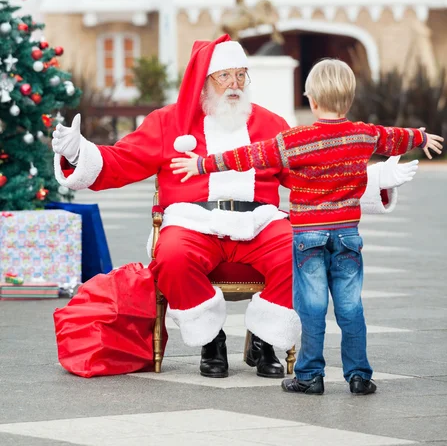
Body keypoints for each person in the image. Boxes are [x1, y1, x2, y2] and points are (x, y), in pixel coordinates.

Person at [52, 37, 418, 380]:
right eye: (224, 75)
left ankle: (263, 340)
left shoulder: (271, 124)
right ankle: (212, 340)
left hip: (259, 220)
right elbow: (122, 160)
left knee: (302, 250)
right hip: (192, 220)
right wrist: (76, 152)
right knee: (173, 254)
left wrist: (378, 180)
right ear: (205, 80)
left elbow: (316, 174)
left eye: (241, 75)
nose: (234, 84)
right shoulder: (170, 122)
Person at [171, 57, 443, 392]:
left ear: (311, 100)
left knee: (311, 308)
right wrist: (420, 137)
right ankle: (359, 376)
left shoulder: (294, 140)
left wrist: (201, 164)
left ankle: (309, 376)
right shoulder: (363, 134)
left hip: (308, 237)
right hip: (347, 237)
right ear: (350, 98)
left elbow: (249, 156)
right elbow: (393, 138)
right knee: (351, 308)